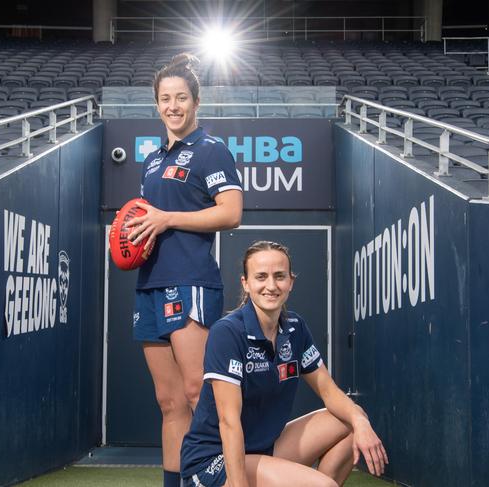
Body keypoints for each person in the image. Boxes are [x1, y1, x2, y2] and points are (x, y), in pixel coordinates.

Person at [180, 241, 388, 487]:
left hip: (263, 448)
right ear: (246, 283)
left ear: (291, 282)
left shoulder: (295, 328)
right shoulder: (228, 332)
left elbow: (329, 392)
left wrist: (362, 422)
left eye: (279, 276)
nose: (271, 286)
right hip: (215, 459)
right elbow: (229, 422)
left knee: (351, 421)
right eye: (261, 277)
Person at [127, 53, 243, 487]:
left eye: (180, 98)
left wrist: (167, 218)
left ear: (195, 102)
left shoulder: (211, 151)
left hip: (190, 281)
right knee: (169, 400)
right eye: (164, 99)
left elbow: (231, 214)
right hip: (149, 283)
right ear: (156, 104)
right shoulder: (152, 159)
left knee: (200, 394)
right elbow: (146, 217)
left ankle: (230, 479)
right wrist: (130, 236)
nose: (172, 106)